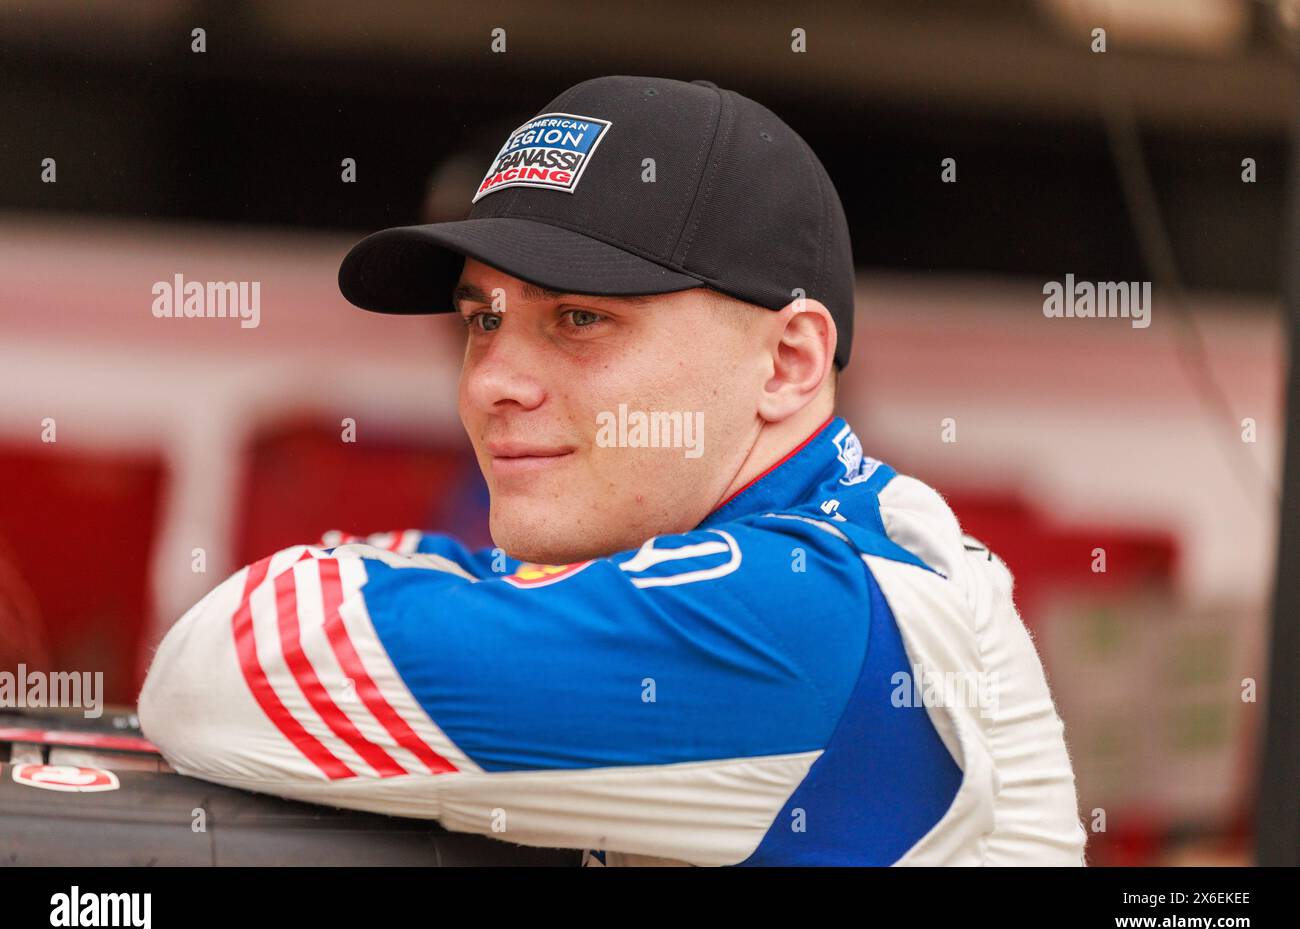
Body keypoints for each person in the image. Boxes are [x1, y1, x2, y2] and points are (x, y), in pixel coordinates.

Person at [138, 76, 1087, 866]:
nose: (491, 383)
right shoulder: (826, 541)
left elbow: (214, 670)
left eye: (581, 319)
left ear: (789, 362)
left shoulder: (800, 612)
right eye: (484, 320)